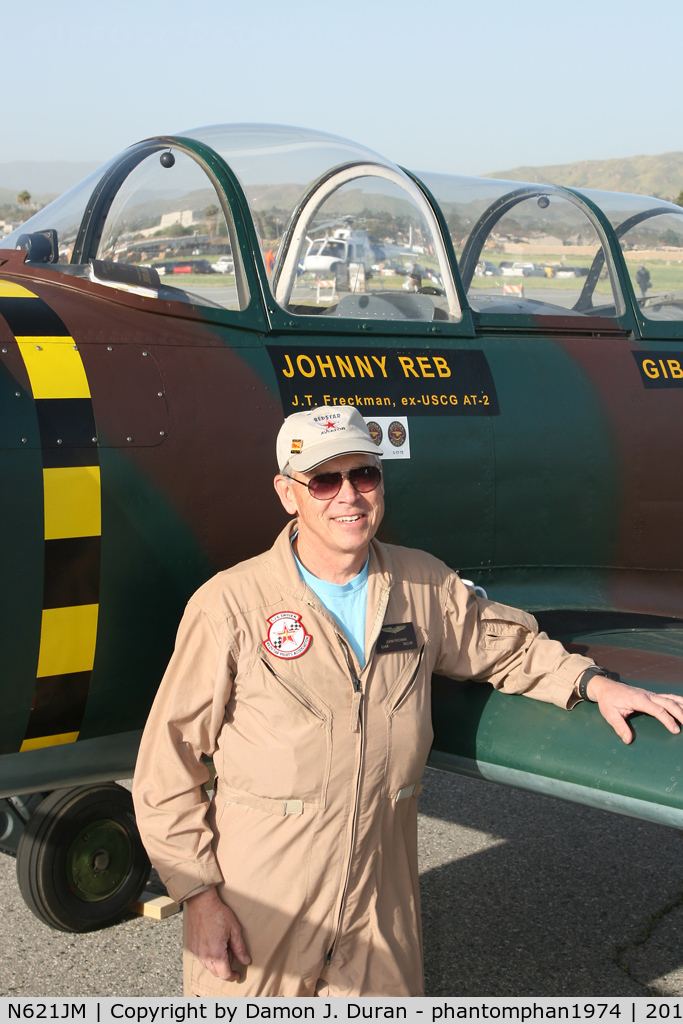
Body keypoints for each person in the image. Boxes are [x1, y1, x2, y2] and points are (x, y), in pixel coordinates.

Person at [132, 406, 683, 998]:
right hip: (259, 901)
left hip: (380, 902)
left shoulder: (422, 586)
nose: (349, 496)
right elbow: (168, 765)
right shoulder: (230, 607)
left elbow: (505, 647)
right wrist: (198, 896)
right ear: (288, 494)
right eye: (324, 480)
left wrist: (595, 684)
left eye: (364, 475)